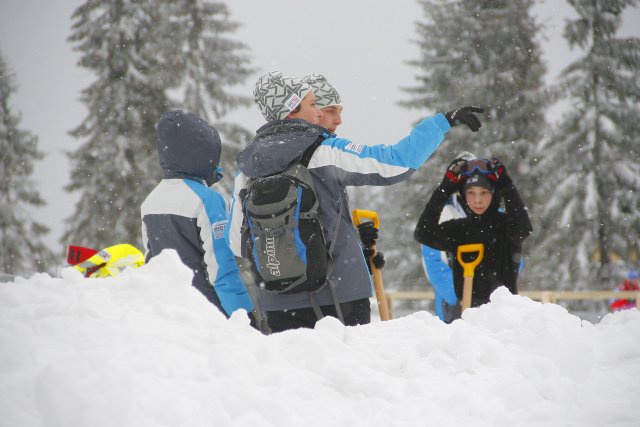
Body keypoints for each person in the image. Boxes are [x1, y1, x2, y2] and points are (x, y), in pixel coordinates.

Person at [227, 71, 483, 333]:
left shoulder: (246, 169)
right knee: (349, 373)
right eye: (313, 105)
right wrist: (441, 123)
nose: (318, 114)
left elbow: (237, 242)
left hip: (276, 302)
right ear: (292, 110)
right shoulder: (325, 151)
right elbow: (395, 163)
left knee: (297, 373)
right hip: (340, 296)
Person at [141, 110, 254, 321]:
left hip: (169, 309)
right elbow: (221, 268)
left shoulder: (151, 201)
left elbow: (151, 261)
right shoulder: (208, 200)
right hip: (207, 310)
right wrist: (243, 314)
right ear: (204, 154)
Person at [414, 157, 532, 309]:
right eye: (471, 193)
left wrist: (507, 186)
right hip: (467, 315)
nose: (477, 200)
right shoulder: (458, 229)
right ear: (463, 194)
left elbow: (524, 229)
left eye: (484, 192)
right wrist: (444, 189)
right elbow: (423, 233)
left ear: (494, 193)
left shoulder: (506, 226)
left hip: (503, 316)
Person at [303, 73, 385, 273]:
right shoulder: (320, 157)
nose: (339, 120)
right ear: (312, 112)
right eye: (331, 111)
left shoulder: (261, 158)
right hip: (323, 287)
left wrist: (360, 253)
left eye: (340, 111)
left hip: (314, 281)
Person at [420, 151, 476, 323]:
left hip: (490, 304)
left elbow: (513, 259)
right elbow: (433, 264)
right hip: (453, 306)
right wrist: (459, 295)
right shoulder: (440, 216)